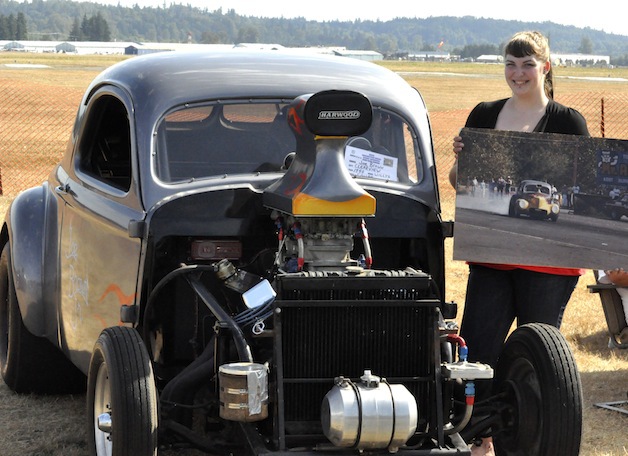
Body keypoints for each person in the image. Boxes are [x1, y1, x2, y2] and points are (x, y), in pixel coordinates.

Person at [448, 31, 590, 456]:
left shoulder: (569, 121)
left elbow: (583, 192)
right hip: (492, 258)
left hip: (549, 265)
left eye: (527, 64)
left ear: (545, 67)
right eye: (511, 63)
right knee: (479, 349)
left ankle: (533, 440)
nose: (518, 73)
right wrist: (461, 159)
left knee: (539, 355)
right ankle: (479, 438)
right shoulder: (485, 113)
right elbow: (461, 185)